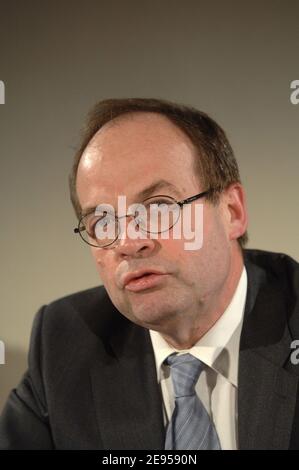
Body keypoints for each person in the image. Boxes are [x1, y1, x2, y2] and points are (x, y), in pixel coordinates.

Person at [0, 98, 299, 450]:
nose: (128, 242)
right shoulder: (65, 343)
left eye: (158, 208)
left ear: (232, 212)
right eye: (103, 221)